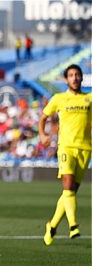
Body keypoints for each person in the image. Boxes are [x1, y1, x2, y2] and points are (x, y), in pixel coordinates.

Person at [39, 64, 91, 245]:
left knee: (70, 192)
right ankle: (73, 225)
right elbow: (43, 117)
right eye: (71, 75)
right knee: (68, 185)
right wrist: (42, 134)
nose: (75, 78)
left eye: (77, 75)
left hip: (85, 149)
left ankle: (51, 226)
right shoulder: (59, 98)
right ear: (66, 79)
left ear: (82, 78)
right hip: (66, 148)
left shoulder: (89, 99)